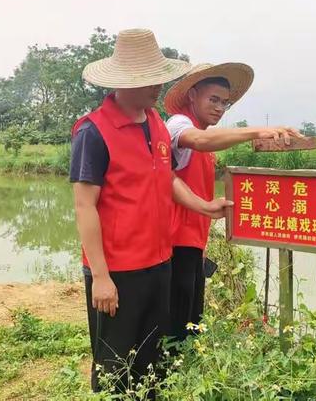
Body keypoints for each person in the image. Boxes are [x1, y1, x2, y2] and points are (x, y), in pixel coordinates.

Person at [70, 31, 232, 395]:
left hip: (159, 262)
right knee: (117, 368)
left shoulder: (155, 122)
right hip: (118, 271)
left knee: (153, 362)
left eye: (159, 75)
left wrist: (203, 205)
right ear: (123, 81)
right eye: (148, 77)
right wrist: (101, 276)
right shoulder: (93, 132)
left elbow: (167, 178)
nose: (158, 85)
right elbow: (85, 206)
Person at [164, 62, 304, 340]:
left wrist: (202, 244)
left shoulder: (206, 136)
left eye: (225, 103)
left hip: (192, 243)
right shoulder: (179, 124)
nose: (219, 108)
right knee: (177, 328)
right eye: (213, 99)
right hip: (173, 244)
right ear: (192, 95)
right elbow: (200, 140)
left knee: (191, 325)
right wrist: (256, 132)